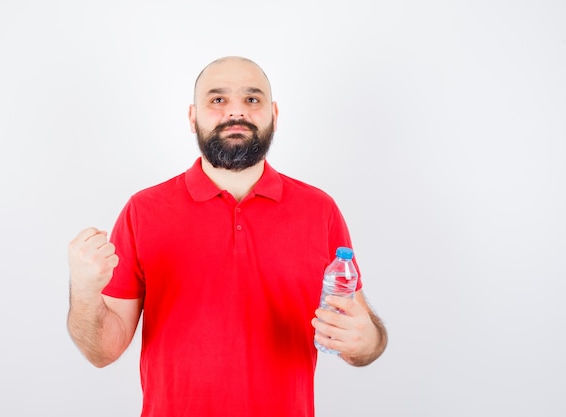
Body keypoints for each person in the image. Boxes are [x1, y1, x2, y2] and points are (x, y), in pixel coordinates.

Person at [67, 56, 387, 416]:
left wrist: (366, 340)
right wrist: (83, 291)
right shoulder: (143, 210)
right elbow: (103, 352)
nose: (236, 112)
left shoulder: (320, 210)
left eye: (252, 99)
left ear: (274, 115)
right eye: (217, 100)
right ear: (193, 117)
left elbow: (361, 334)